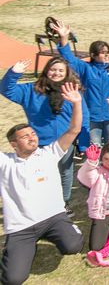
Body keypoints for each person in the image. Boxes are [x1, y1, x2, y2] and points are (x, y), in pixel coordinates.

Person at [0, 82, 84, 285]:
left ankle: (64, 231)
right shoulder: (6, 162)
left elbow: (74, 130)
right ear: (13, 144)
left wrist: (77, 103)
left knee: (74, 246)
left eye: (33, 134)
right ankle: (16, 251)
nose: (32, 138)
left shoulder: (49, 153)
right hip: (22, 228)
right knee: (14, 279)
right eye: (25, 136)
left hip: (53, 217)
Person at [1, 59, 90, 214]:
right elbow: (6, 90)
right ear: (46, 70)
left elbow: (84, 118)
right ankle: (38, 203)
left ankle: (63, 203)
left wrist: (83, 144)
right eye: (53, 69)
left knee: (64, 173)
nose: (56, 73)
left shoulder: (72, 91)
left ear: (66, 73)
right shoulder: (31, 90)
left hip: (64, 143)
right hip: (37, 144)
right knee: (37, 175)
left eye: (61, 71)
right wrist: (13, 73)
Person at [52, 20, 109, 145]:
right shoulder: (86, 69)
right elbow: (69, 59)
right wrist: (63, 38)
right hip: (92, 117)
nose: (107, 55)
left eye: (108, 52)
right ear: (93, 55)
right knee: (94, 148)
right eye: (103, 53)